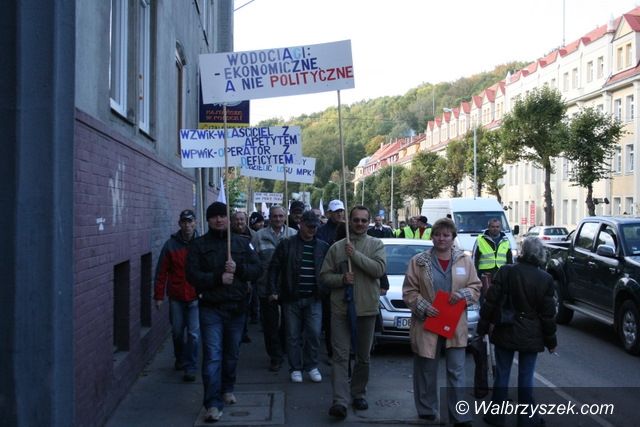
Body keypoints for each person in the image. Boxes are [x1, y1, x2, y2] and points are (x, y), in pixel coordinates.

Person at [186, 202, 262, 423]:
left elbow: (257, 269)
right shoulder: (198, 245)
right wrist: (217, 277)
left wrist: (239, 269)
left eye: (222, 216)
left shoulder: (242, 243)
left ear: (228, 219)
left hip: (237, 308)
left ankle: (227, 387)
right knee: (212, 356)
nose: (219, 220)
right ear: (208, 220)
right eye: (214, 216)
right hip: (211, 308)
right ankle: (212, 403)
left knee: (231, 354)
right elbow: (192, 275)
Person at [402, 218, 481, 426]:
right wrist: (424, 307)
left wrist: (463, 294)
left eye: (446, 235)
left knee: (456, 370)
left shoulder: (465, 261)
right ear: (432, 237)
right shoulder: (418, 261)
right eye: (437, 234)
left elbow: (476, 287)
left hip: (455, 323)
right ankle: (427, 410)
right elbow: (409, 291)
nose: (441, 239)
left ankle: (459, 415)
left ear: (453, 237)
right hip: (427, 323)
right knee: (426, 369)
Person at [477, 237, 557, 427]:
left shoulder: (506, 271)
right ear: (540, 254)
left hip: (505, 328)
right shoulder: (545, 279)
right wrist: (551, 342)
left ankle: (496, 416)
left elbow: (491, 302)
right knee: (526, 377)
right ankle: (526, 419)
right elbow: (548, 315)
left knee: (502, 374)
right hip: (531, 333)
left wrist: (482, 328)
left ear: (522, 252)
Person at [320, 205, 387, 419]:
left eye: (363, 220)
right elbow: (324, 277)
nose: (359, 224)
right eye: (356, 220)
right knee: (340, 357)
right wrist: (341, 279)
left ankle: (358, 393)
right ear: (349, 221)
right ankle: (339, 401)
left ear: (369, 222)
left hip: (366, 309)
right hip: (341, 309)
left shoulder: (376, 244)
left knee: (363, 357)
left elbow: (378, 270)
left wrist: (355, 255)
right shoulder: (336, 248)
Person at [269, 210, 329, 383]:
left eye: (315, 227)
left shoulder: (323, 247)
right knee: (292, 335)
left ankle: (311, 365)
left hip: (314, 297)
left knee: (314, 333)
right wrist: (273, 290)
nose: (312, 230)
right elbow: (274, 268)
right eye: (309, 226)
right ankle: (295, 367)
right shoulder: (287, 244)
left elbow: (328, 270)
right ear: (300, 225)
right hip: (291, 297)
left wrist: (325, 290)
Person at [153, 209, 199, 382]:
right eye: (184, 222)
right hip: (176, 297)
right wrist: (158, 296)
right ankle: (180, 358)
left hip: (195, 296)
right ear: (180, 224)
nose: (187, 225)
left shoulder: (201, 244)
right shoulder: (170, 245)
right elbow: (161, 272)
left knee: (194, 334)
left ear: (195, 223)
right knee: (178, 332)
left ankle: (190, 366)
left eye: (190, 222)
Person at [255, 205, 297, 372]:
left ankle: (284, 350)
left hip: (288, 287)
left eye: (281, 216)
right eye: (275, 216)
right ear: (269, 217)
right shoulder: (259, 236)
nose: (278, 219)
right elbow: (253, 260)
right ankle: (275, 356)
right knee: (270, 325)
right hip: (266, 286)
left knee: (288, 323)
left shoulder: (293, 234)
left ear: (285, 217)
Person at [316, 199, 346, 360]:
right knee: (329, 320)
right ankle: (331, 352)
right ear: (329, 213)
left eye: (341, 211)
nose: (339, 214)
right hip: (329, 281)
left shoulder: (348, 229)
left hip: (346, 280)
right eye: (336, 212)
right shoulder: (321, 231)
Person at [231, 211, 260, 339]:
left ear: (246, 220)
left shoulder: (254, 235)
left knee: (246, 304)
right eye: (236, 219)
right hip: (233, 274)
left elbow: (256, 256)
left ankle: (243, 330)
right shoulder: (228, 235)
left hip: (249, 273)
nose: (239, 222)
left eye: (242, 219)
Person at [473, 218, 513, 287]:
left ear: (500, 228)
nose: (495, 229)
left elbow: (510, 259)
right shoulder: (480, 239)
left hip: (501, 273)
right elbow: (475, 258)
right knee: (485, 292)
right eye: (493, 227)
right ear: (488, 227)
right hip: (484, 273)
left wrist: (510, 274)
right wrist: (475, 274)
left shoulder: (506, 240)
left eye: (497, 227)